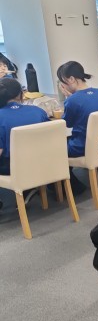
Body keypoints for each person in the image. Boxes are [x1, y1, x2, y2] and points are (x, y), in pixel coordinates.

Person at [0, 78, 49, 220]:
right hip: (42, 162)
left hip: (12, 168)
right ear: (21, 94)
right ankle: (29, 188)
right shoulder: (38, 111)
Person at [57, 61, 98, 157]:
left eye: (62, 81)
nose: (62, 85)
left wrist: (69, 98)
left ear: (71, 79)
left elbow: (67, 124)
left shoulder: (72, 100)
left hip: (81, 147)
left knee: (55, 146)